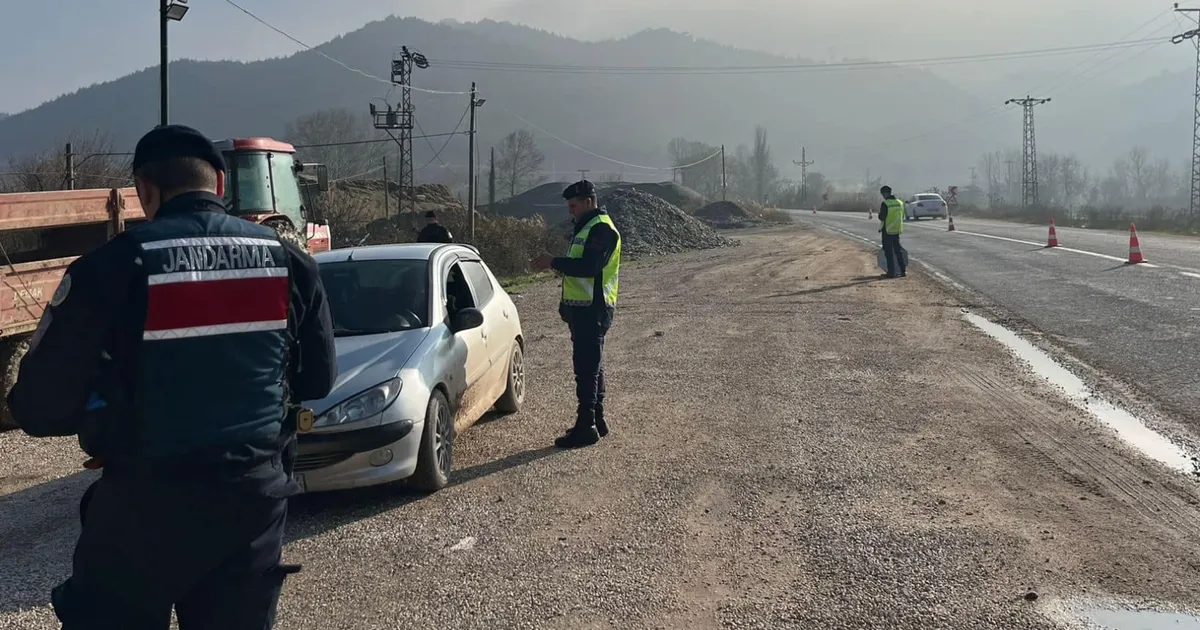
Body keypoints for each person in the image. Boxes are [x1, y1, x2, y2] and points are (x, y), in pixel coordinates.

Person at [6, 124, 337, 629]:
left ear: (143, 191)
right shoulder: (287, 260)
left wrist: (103, 406)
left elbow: (38, 406)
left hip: (142, 511)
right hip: (252, 507)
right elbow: (317, 381)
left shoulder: (110, 268)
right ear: (220, 187)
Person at [532, 180, 621, 449]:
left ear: (588, 202)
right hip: (583, 309)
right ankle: (597, 420)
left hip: (593, 309)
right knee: (592, 366)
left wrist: (553, 261)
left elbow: (589, 267)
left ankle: (586, 427)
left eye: (573, 205)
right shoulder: (587, 227)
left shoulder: (602, 229)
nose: (570, 211)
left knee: (586, 369)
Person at [877, 185, 907, 278]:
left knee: (889, 253)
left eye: (882, 194)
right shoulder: (900, 203)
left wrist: (879, 214)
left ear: (885, 193)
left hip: (887, 231)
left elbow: (882, 217)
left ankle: (891, 272)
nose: (883, 196)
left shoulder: (885, 204)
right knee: (898, 251)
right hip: (897, 230)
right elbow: (902, 216)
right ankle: (903, 271)